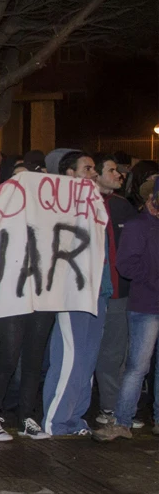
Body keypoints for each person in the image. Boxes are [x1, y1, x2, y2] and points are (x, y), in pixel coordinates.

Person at [42, 149, 109, 437]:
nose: (93, 173)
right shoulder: (60, 207)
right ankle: (56, 421)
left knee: (87, 358)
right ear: (69, 174)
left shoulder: (95, 204)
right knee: (70, 357)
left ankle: (75, 418)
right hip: (73, 292)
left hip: (98, 291)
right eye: (87, 169)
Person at [93, 185, 159, 441]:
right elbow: (126, 264)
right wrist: (153, 280)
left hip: (148, 302)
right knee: (138, 367)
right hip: (146, 305)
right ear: (152, 199)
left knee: (140, 367)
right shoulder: (137, 226)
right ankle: (122, 421)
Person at [92, 154, 138, 428]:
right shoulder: (80, 205)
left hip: (119, 292)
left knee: (114, 352)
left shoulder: (123, 208)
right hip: (88, 293)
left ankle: (111, 408)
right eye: (111, 170)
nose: (119, 175)